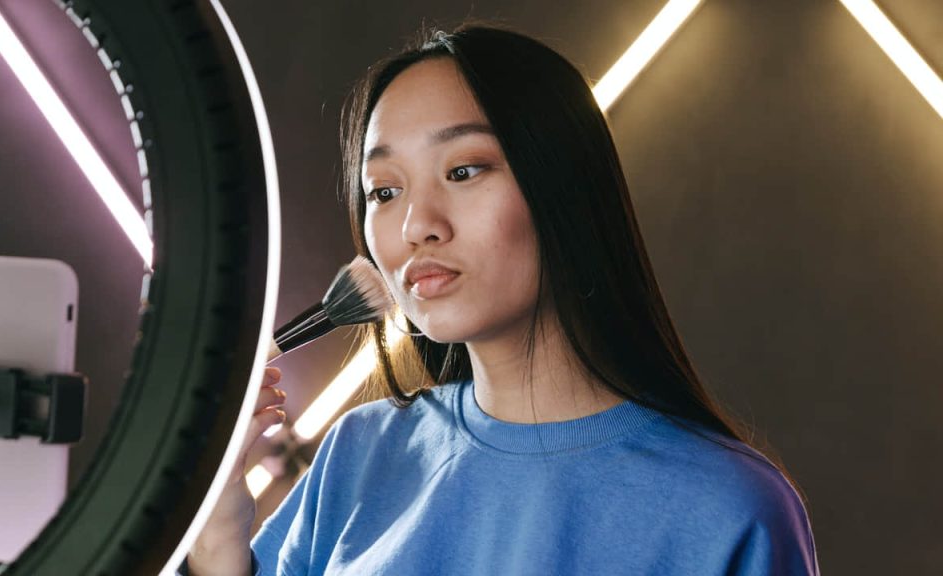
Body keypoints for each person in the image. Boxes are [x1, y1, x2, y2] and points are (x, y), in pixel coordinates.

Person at [186, 24, 819, 576]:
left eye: (463, 171)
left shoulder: (729, 510)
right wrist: (217, 534)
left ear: (560, 187)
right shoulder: (358, 455)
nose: (416, 225)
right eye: (383, 191)